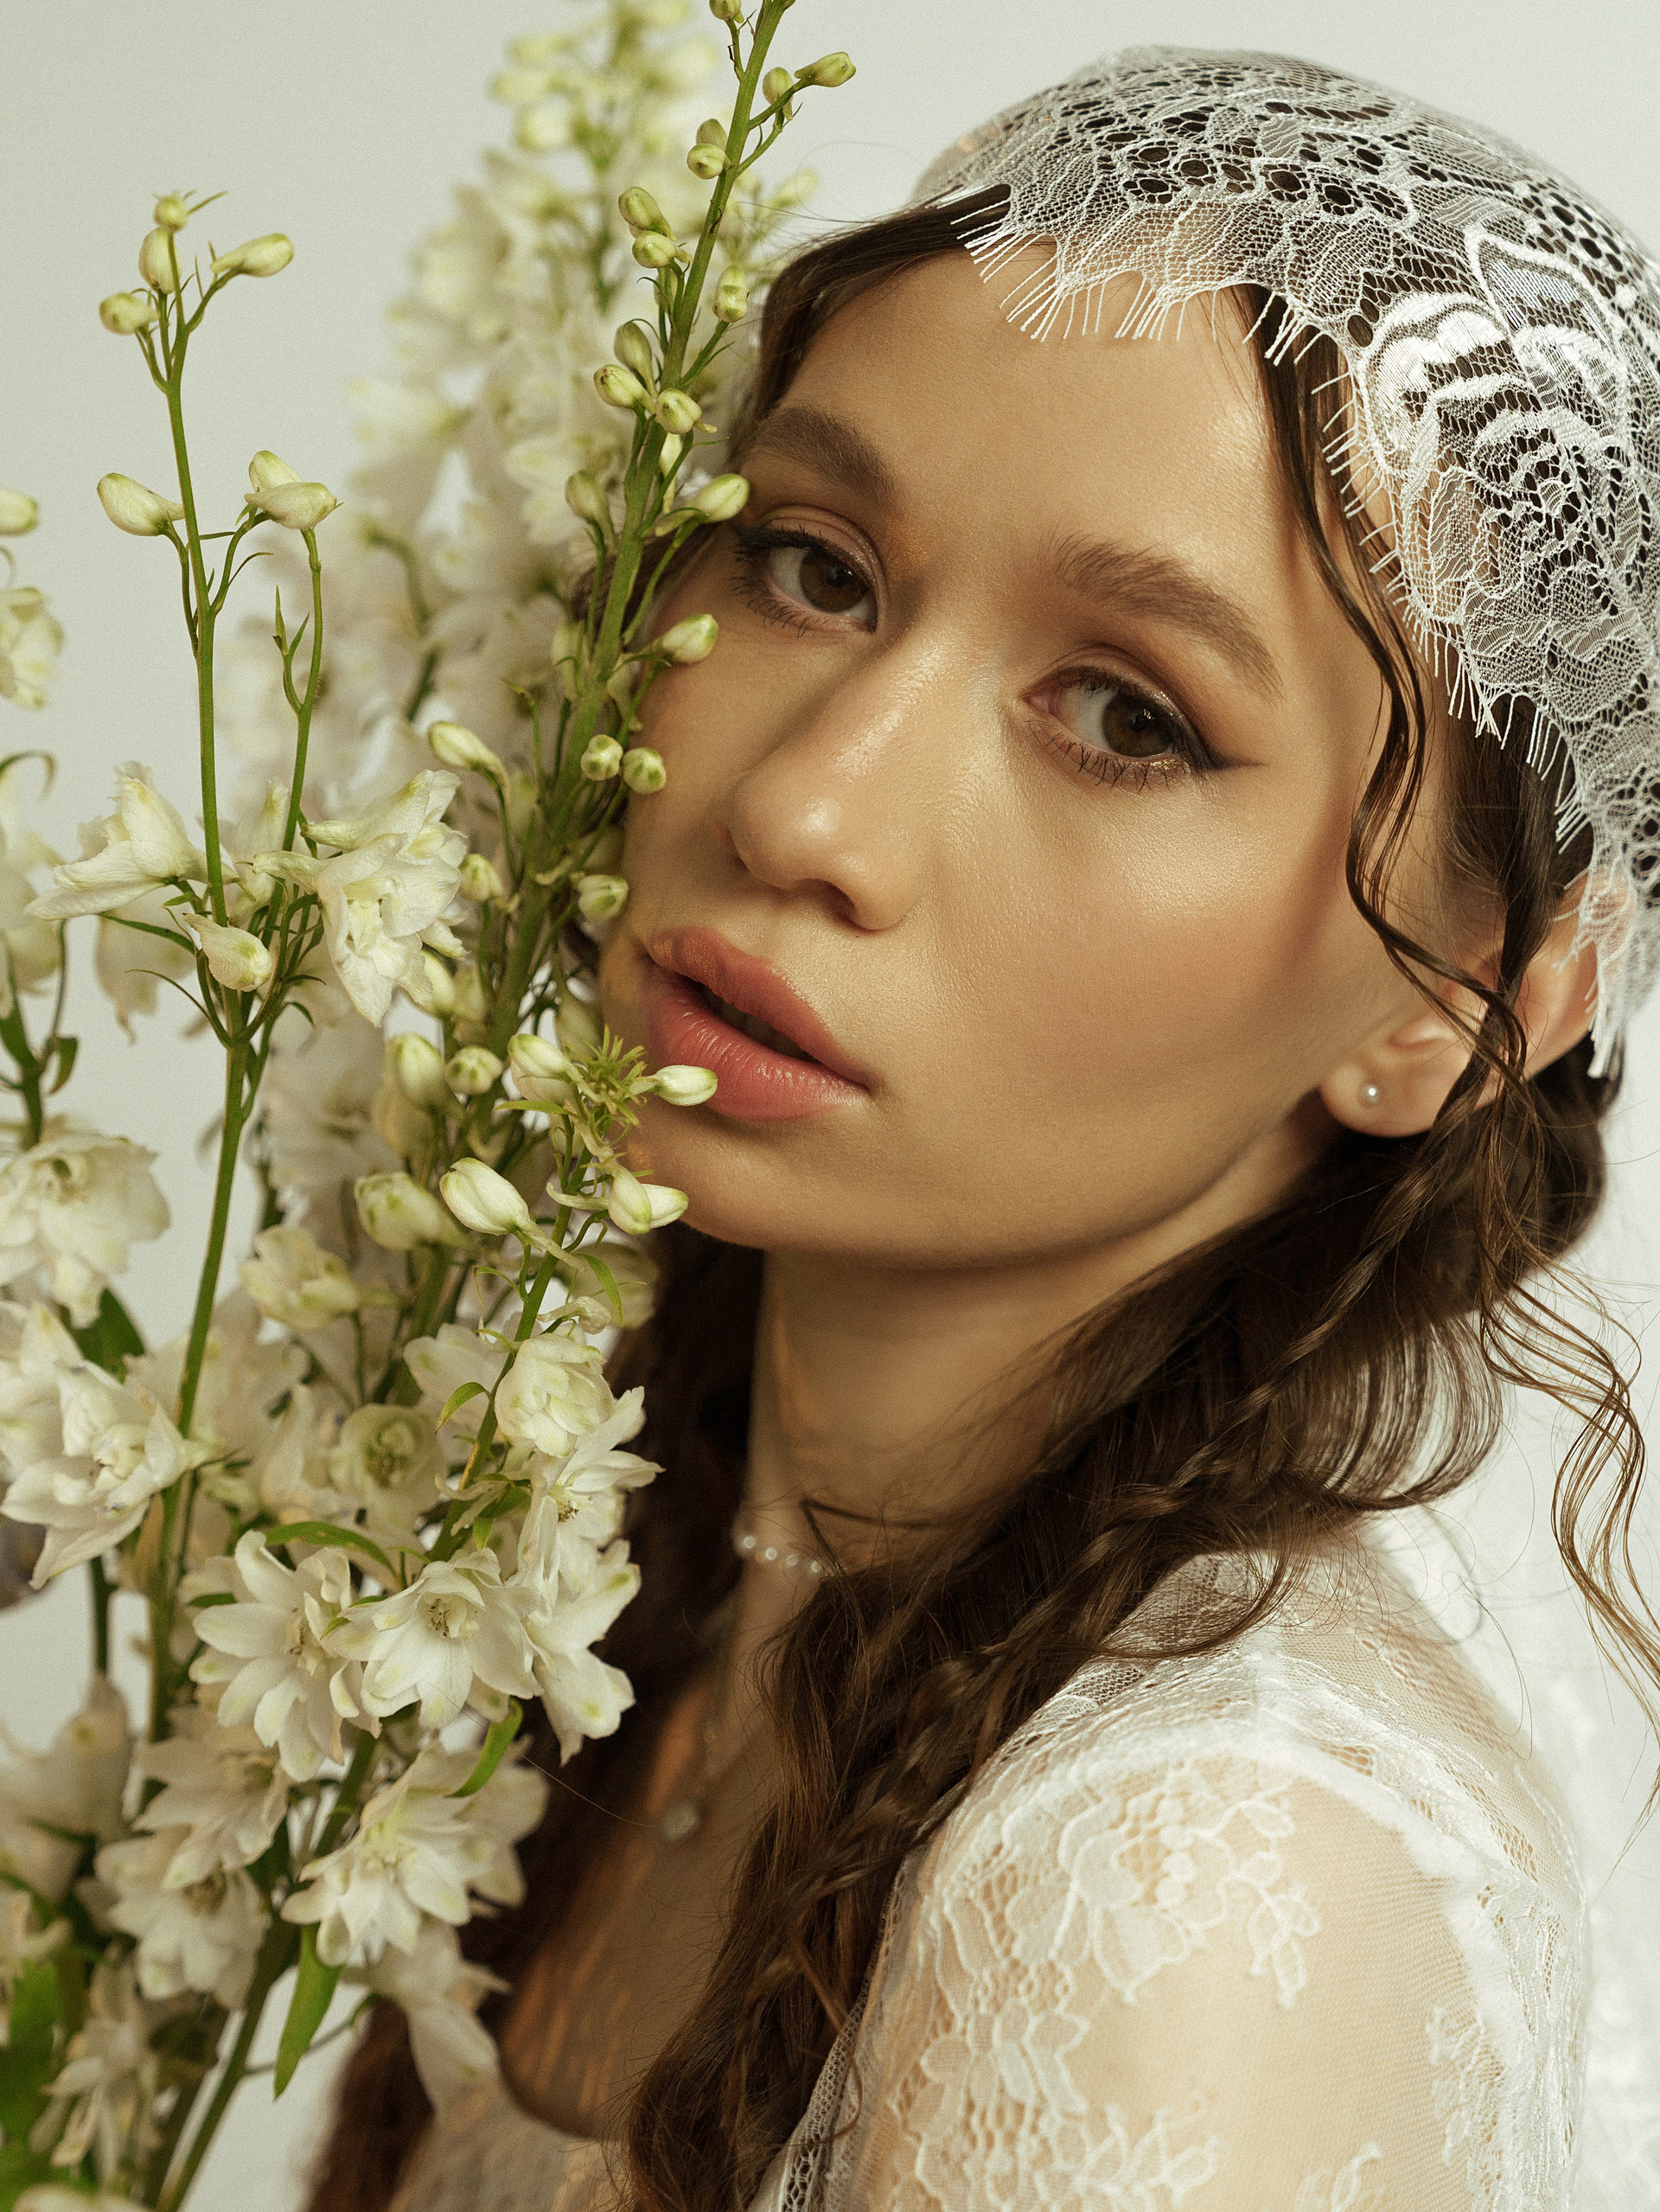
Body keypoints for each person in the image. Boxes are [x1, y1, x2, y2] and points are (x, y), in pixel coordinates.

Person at [307, 46, 1660, 2212]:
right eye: (815, 568)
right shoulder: (620, 1610)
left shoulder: (1181, 1886)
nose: (801, 809)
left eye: (1127, 716)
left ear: (1465, 1008)